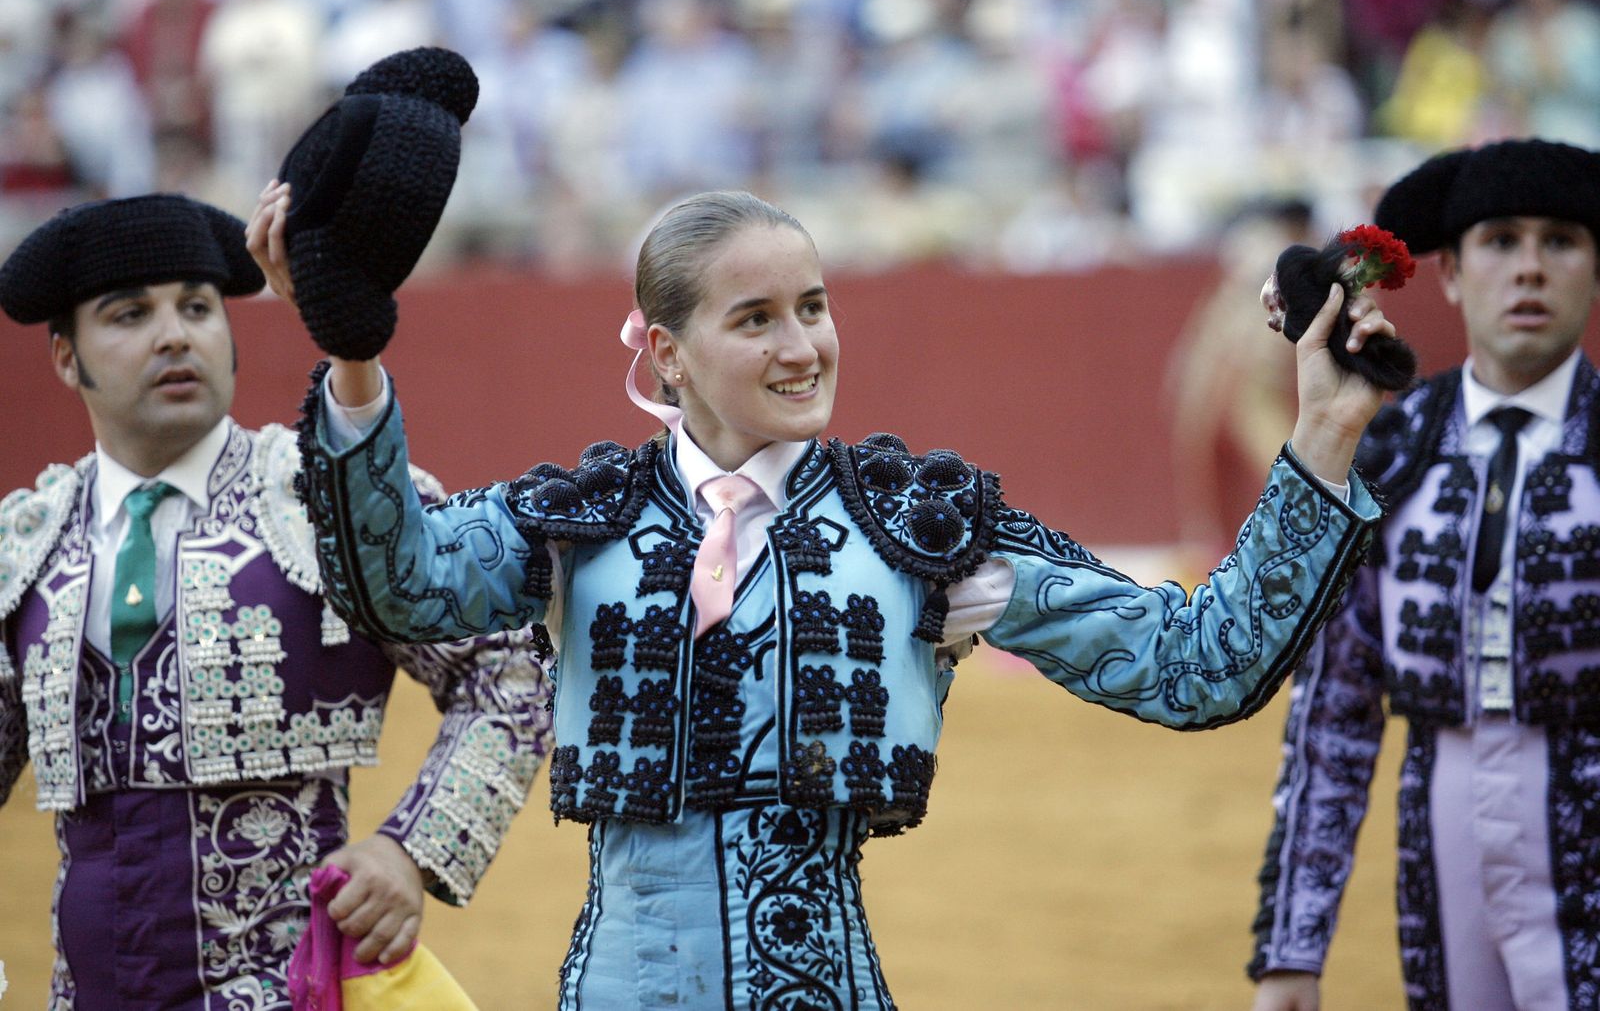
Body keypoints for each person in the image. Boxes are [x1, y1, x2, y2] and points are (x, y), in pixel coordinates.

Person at [250, 180, 1392, 1007]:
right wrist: (354, 363)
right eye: (755, 319)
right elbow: (400, 586)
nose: (801, 347)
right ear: (668, 354)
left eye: (812, 306)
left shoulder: (919, 530)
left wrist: (1325, 435)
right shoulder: (578, 523)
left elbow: (1198, 666)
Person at [0, 192, 554, 1009]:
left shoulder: (323, 502)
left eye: (197, 308)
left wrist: (410, 849)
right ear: (64, 357)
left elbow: (512, 670)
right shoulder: (25, 545)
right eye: (130, 315)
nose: (175, 335)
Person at [1248, 138, 1600, 1010]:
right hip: (1443, 825)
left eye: (1560, 242)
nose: (1529, 268)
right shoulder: (1394, 450)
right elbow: (1334, 706)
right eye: (1500, 240)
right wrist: (1292, 946)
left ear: (1595, 272)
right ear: (1450, 273)